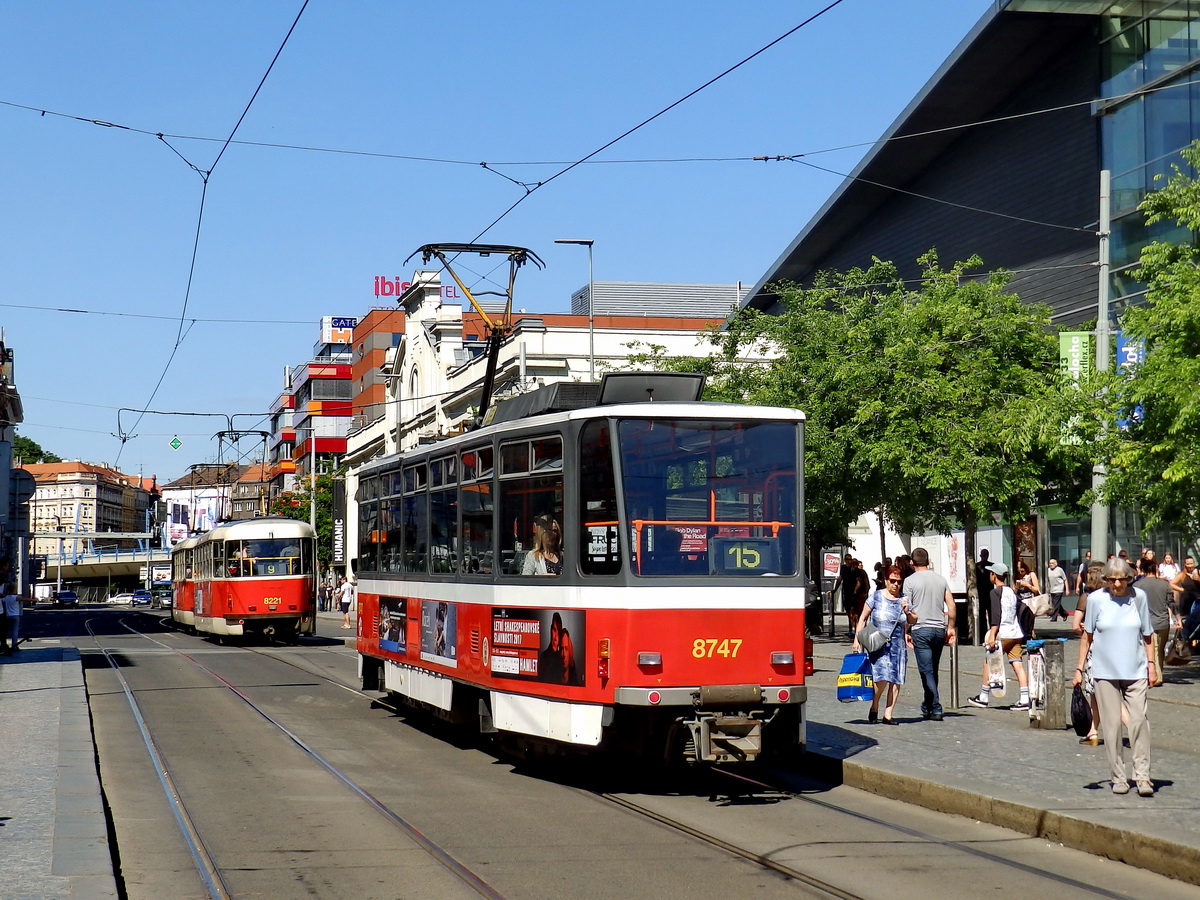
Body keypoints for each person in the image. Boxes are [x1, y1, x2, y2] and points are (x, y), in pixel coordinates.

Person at [1072, 557, 1155, 796]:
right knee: (1111, 726)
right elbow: (1087, 636)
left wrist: (1152, 665)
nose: (1117, 584)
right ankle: (1118, 777)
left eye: (1121, 580)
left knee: (1139, 722)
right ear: (1105, 579)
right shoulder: (1096, 600)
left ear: (1129, 578)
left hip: (1136, 670)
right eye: (1112, 580)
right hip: (1104, 671)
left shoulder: (1139, 597)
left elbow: (1148, 635)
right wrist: (1079, 669)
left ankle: (1142, 776)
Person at [852, 564, 914, 725]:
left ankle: (888, 714)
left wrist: (908, 611)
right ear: (886, 580)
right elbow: (863, 618)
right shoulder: (876, 596)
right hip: (878, 644)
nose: (895, 585)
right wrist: (857, 640)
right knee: (881, 676)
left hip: (898, 646)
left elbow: (913, 620)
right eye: (892, 581)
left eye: (899, 582)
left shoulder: (904, 599)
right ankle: (874, 705)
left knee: (896, 679)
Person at [903, 547, 956, 721]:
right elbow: (951, 605)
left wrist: (905, 631)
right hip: (939, 629)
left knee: (926, 671)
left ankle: (936, 707)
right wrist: (951, 627)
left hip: (921, 629)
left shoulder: (909, 581)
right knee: (932, 669)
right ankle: (928, 705)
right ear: (928, 560)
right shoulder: (941, 580)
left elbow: (907, 608)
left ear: (912, 562)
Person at [969, 561, 1030, 710]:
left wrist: (992, 635)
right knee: (1018, 664)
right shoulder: (1012, 592)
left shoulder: (995, 592)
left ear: (994, 575)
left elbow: (995, 615)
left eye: (991, 573)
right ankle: (1024, 698)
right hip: (1016, 633)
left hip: (1003, 633)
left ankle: (983, 696)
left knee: (988, 662)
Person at [1134, 557, 1175, 687]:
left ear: (1143, 570)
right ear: (1156, 569)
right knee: (1160, 649)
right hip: (1163, 622)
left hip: (1147, 623)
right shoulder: (1165, 584)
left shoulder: (1137, 586)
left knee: (1153, 649)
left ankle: (1156, 676)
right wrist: (1178, 619)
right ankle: (1158, 673)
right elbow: (1172, 603)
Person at [538, 613, 564, 683]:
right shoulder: (544, 657)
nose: (556, 636)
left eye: (558, 632)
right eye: (554, 630)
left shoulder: (562, 658)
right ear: (551, 630)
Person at [0, 583, 19, 654]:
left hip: (7, 615)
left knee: (5, 631)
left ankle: (4, 644)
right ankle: (14, 645)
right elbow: (24, 599)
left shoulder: (5, 598)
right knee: (14, 631)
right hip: (15, 615)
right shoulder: (15, 597)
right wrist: (33, 599)